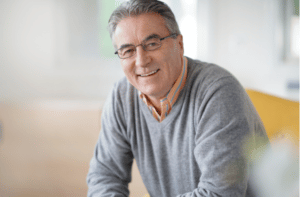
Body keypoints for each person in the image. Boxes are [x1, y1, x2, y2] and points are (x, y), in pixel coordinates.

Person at [87, 0, 269, 196]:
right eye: (128, 51)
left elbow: (220, 193)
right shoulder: (121, 97)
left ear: (179, 44)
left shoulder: (217, 91)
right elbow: (104, 177)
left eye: (152, 43)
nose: (141, 61)